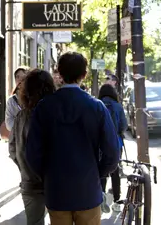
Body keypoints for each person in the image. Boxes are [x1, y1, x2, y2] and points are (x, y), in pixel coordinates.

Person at [26, 52, 120, 225]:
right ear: (84, 75)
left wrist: (47, 174)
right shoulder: (96, 107)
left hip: (57, 190)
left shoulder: (44, 107)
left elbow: (32, 152)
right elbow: (113, 153)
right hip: (88, 190)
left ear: (60, 74)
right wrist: (96, 173)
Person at [9, 69, 56, 225]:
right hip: (55, 181)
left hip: (29, 181)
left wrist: (24, 167)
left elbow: (13, 149)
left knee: (34, 222)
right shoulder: (55, 114)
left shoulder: (21, 116)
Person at [98, 84, 128, 211]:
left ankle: (101, 196)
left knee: (101, 170)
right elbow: (124, 126)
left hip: (100, 143)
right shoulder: (118, 106)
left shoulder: (97, 104)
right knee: (115, 169)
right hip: (116, 142)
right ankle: (117, 200)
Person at [4, 66, 28, 133]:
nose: (20, 80)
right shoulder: (11, 101)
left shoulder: (33, 98)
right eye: (17, 77)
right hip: (17, 138)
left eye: (23, 78)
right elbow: (8, 123)